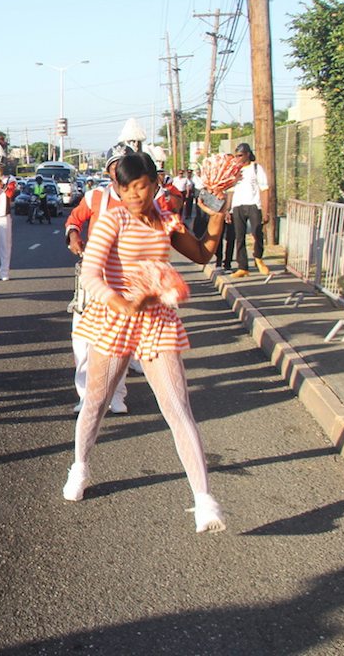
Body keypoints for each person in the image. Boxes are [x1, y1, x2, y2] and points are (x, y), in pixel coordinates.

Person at [64, 151, 229, 534]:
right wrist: (123, 303)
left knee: (177, 407)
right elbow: (91, 274)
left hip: (157, 320)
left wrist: (217, 212)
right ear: (118, 189)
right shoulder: (112, 219)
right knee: (96, 401)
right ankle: (81, 466)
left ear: (154, 183)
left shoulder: (167, 219)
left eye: (142, 186)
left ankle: (204, 500)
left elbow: (203, 254)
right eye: (128, 188)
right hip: (114, 316)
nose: (136, 194)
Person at [65, 147, 131, 415]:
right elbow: (73, 220)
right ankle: (86, 395)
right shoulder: (95, 196)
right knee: (82, 337)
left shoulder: (140, 198)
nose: (118, 170)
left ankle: (116, 394)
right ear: (108, 170)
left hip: (125, 279)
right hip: (93, 276)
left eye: (123, 164)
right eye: (115, 165)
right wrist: (73, 236)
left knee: (118, 339)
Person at [228, 144, 271, 278]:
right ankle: (242, 267)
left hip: (253, 204)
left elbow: (264, 189)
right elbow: (230, 191)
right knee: (239, 237)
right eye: (236, 156)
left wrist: (266, 210)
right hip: (237, 205)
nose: (238, 158)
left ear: (247, 154)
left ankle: (258, 258)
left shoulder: (256, 168)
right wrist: (227, 210)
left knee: (257, 233)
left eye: (240, 155)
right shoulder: (234, 171)